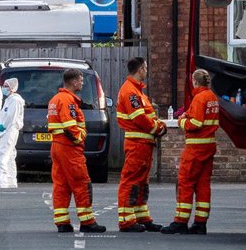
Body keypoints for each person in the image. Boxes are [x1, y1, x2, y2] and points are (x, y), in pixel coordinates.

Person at [161, 69, 219, 235]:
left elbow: (196, 123)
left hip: (195, 148)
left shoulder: (199, 98)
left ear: (195, 82)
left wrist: (181, 121)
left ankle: (180, 221)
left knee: (185, 182)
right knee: (203, 185)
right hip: (208, 147)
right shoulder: (212, 98)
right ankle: (200, 223)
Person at [47, 69, 106, 233]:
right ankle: (87, 221)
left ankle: (62, 222)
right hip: (69, 148)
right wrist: (80, 138)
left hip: (57, 147)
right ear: (73, 82)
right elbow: (70, 126)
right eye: (80, 80)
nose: (82, 83)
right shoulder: (67, 100)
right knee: (81, 182)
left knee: (61, 184)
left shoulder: (55, 99)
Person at [116, 57, 167, 232]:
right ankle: (126, 220)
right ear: (140, 70)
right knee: (131, 180)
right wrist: (157, 128)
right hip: (137, 143)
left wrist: (157, 126)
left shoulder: (138, 92)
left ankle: (141, 217)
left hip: (144, 143)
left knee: (141, 182)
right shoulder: (131, 92)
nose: (147, 71)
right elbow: (139, 118)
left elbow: (146, 115)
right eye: (145, 68)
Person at [0, 78, 25, 188]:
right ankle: (10, 180)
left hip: (9, 130)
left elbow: (10, 117)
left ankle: (1, 181)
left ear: (12, 88)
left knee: (1, 155)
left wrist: (2, 127)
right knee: (10, 155)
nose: (3, 88)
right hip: (6, 131)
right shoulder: (10, 99)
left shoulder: (15, 100)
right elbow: (5, 116)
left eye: (6, 86)